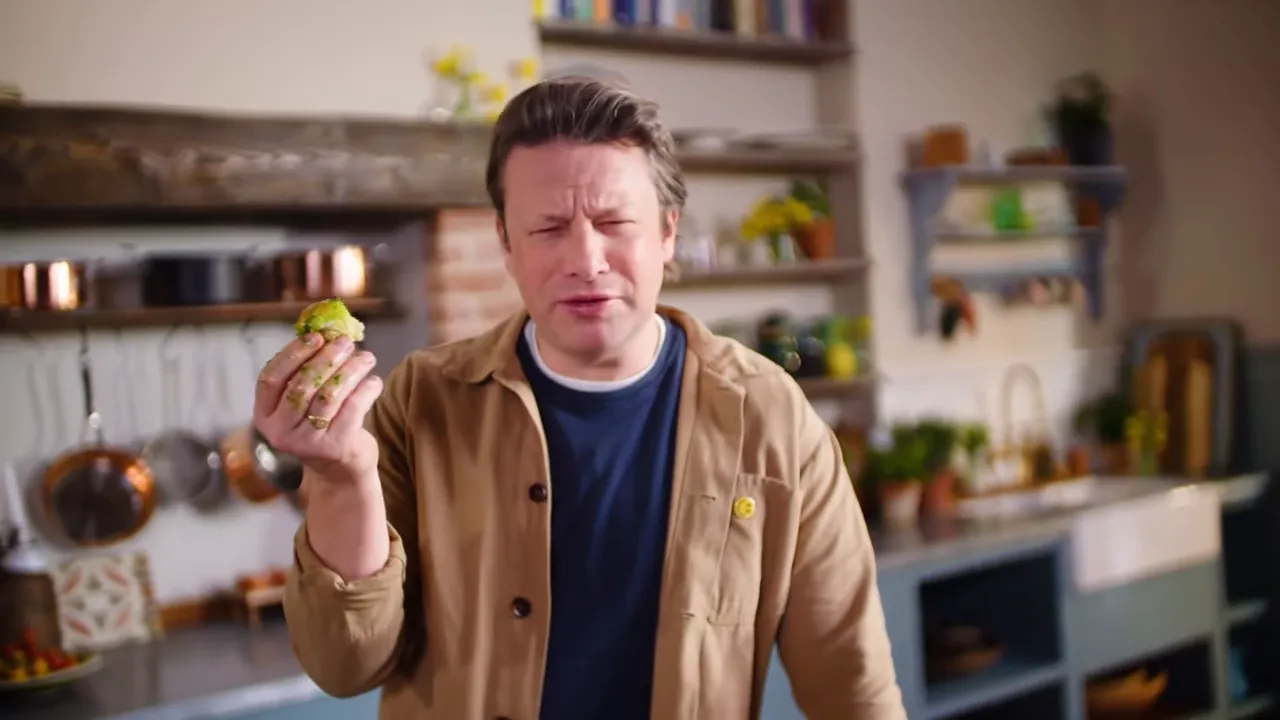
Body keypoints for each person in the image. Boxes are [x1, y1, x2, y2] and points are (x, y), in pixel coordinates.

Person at [260, 76, 905, 720]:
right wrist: (341, 478)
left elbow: (853, 687)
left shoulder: (772, 416)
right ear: (506, 244)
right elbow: (344, 665)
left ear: (667, 233)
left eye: (613, 222)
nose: (585, 258)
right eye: (548, 228)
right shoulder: (422, 400)